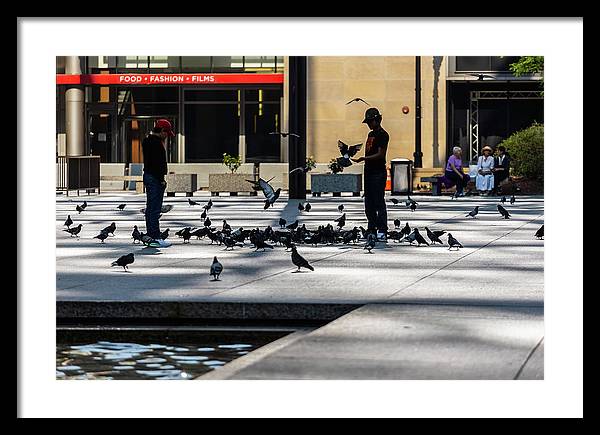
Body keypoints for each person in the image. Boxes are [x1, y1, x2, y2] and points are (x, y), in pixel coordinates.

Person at [351, 107, 389, 241]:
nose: (368, 125)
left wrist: (364, 159)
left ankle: (382, 229)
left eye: (370, 122)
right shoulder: (370, 135)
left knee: (378, 201)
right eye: (367, 122)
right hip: (368, 171)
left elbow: (380, 154)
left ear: (377, 120)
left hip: (378, 172)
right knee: (369, 202)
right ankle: (371, 227)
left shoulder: (383, 134)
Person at [142, 119, 174, 248]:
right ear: (161, 131)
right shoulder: (155, 143)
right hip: (154, 178)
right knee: (154, 208)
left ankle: (152, 235)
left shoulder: (148, 140)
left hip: (150, 176)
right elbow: (156, 163)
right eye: (166, 133)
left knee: (151, 208)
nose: (167, 136)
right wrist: (161, 179)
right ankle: (155, 236)